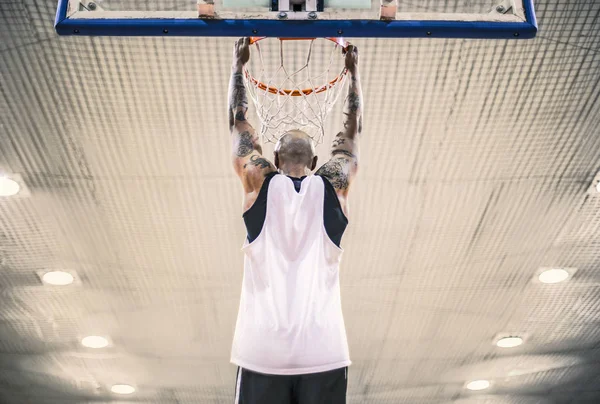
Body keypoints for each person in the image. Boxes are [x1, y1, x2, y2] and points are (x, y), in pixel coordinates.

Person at [227, 37, 363, 404]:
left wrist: (237, 69)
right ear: (317, 159)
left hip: (262, 351)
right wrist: (354, 76)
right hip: (324, 351)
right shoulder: (334, 185)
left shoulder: (258, 180)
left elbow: (239, 122)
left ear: (272, 154)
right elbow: (351, 135)